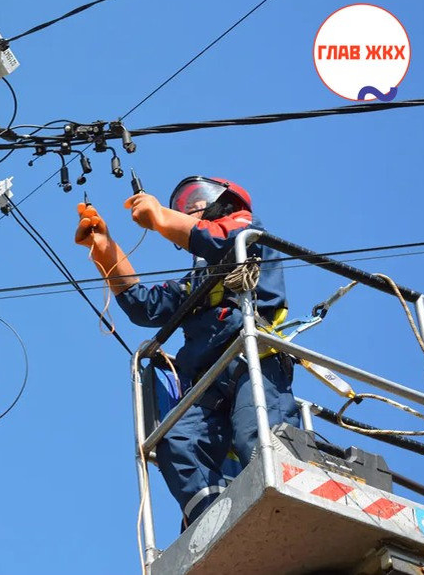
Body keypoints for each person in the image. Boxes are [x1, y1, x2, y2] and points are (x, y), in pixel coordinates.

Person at [74, 176, 299, 527]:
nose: (189, 206)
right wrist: (106, 251)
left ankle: (283, 504)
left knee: (255, 433)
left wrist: (163, 218)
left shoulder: (246, 231)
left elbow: (224, 239)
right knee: (178, 440)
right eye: (181, 204)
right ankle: (213, 522)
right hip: (208, 380)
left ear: (226, 199)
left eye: (197, 197)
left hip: (253, 359)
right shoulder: (198, 279)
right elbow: (146, 307)